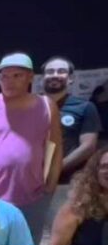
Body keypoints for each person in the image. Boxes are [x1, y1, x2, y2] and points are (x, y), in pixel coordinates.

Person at [0, 52, 62, 245]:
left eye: (17, 76)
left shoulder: (47, 106)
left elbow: (55, 147)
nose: (9, 81)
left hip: (32, 195)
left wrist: (51, 184)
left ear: (30, 77)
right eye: (4, 76)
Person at [42, 56, 102, 229]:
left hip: (67, 184)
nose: (55, 75)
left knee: (60, 232)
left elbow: (88, 146)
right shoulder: (33, 106)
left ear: (70, 78)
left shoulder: (85, 107)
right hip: (34, 182)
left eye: (61, 71)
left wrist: (55, 169)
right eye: (50, 71)